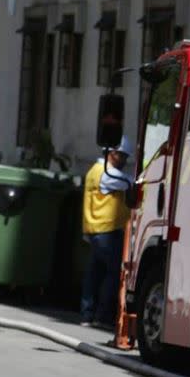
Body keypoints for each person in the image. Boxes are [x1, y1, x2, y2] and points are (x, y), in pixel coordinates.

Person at [80, 135, 134, 330]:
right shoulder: (107, 175)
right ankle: (102, 316)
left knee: (94, 274)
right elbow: (130, 182)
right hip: (107, 231)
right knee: (114, 273)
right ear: (113, 154)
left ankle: (86, 314)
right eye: (123, 157)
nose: (125, 161)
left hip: (95, 230)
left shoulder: (94, 171)